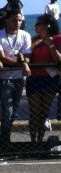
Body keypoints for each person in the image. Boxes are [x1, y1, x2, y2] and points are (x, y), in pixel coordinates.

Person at [0, 9, 32, 145]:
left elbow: (27, 56)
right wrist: (21, 63)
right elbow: (2, 57)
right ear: (7, 20)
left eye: (20, 20)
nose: (17, 23)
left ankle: (6, 137)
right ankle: (4, 139)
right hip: (4, 78)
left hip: (19, 78)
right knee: (7, 109)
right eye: (14, 20)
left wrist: (24, 62)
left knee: (14, 109)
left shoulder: (25, 35)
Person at [26, 14, 61, 142]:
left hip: (50, 79)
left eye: (38, 23)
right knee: (34, 111)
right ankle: (32, 141)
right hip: (34, 79)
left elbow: (58, 59)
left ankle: (40, 139)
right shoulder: (34, 39)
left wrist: (50, 44)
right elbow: (27, 53)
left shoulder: (58, 39)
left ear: (47, 25)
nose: (35, 26)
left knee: (43, 112)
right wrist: (37, 43)